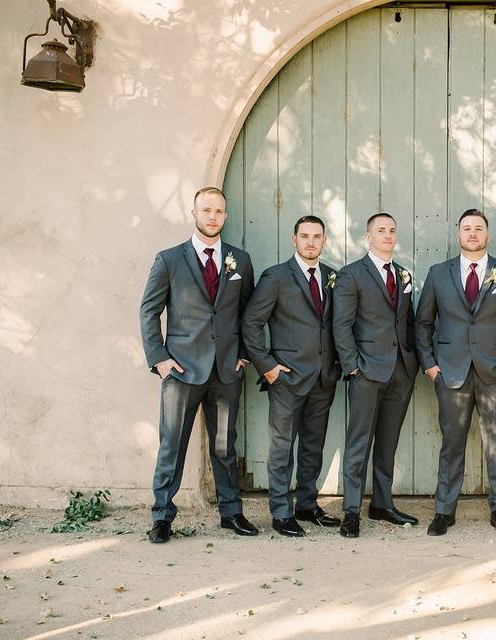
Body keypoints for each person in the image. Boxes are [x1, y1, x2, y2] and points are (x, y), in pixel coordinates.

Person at [139, 187, 257, 543]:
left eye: (219, 211)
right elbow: (149, 311)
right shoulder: (170, 259)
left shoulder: (240, 260)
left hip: (225, 370)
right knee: (172, 444)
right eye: (206, 210)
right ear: (194, 213)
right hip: (181, 369)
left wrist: (245, 355)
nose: (212, 217)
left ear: (225, 216)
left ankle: (231, 513)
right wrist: (159, 359)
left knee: (224, 444)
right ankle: (162, 517)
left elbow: (248, 313)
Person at [415, 209, 496, 538]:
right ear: (458, 235)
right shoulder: (438, 273)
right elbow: (423, 323)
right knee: (451, 444)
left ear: (488, 235)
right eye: (466, 228)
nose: (472, 233)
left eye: (478, 228)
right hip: (450, 374)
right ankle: (444, 511)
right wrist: (430, 365)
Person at [242, 215, 342, 538]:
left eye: (317, 236)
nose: (311, 242)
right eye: (305, 236)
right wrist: (268, 366)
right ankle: (281, 512)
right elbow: (251, 324)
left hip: (323, 379)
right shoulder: (276, 277)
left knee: (313, 447)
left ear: (324, 241)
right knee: (282, 449)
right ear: (293, 239)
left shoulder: (332, 277)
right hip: (286, 379)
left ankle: (307, 505)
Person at [332, 213, 419, 538]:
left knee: (388, 441)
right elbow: (341, 325)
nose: (387, 235)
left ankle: (382, 503)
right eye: (380, 230)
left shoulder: (404, 274)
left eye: (392, 230)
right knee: (359, 441)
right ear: (368, 237)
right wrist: (352, 365)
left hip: (400, 371)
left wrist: (411, 361)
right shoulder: (351, 275)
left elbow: (408, 320)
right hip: (366, 370)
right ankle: (351, 511)